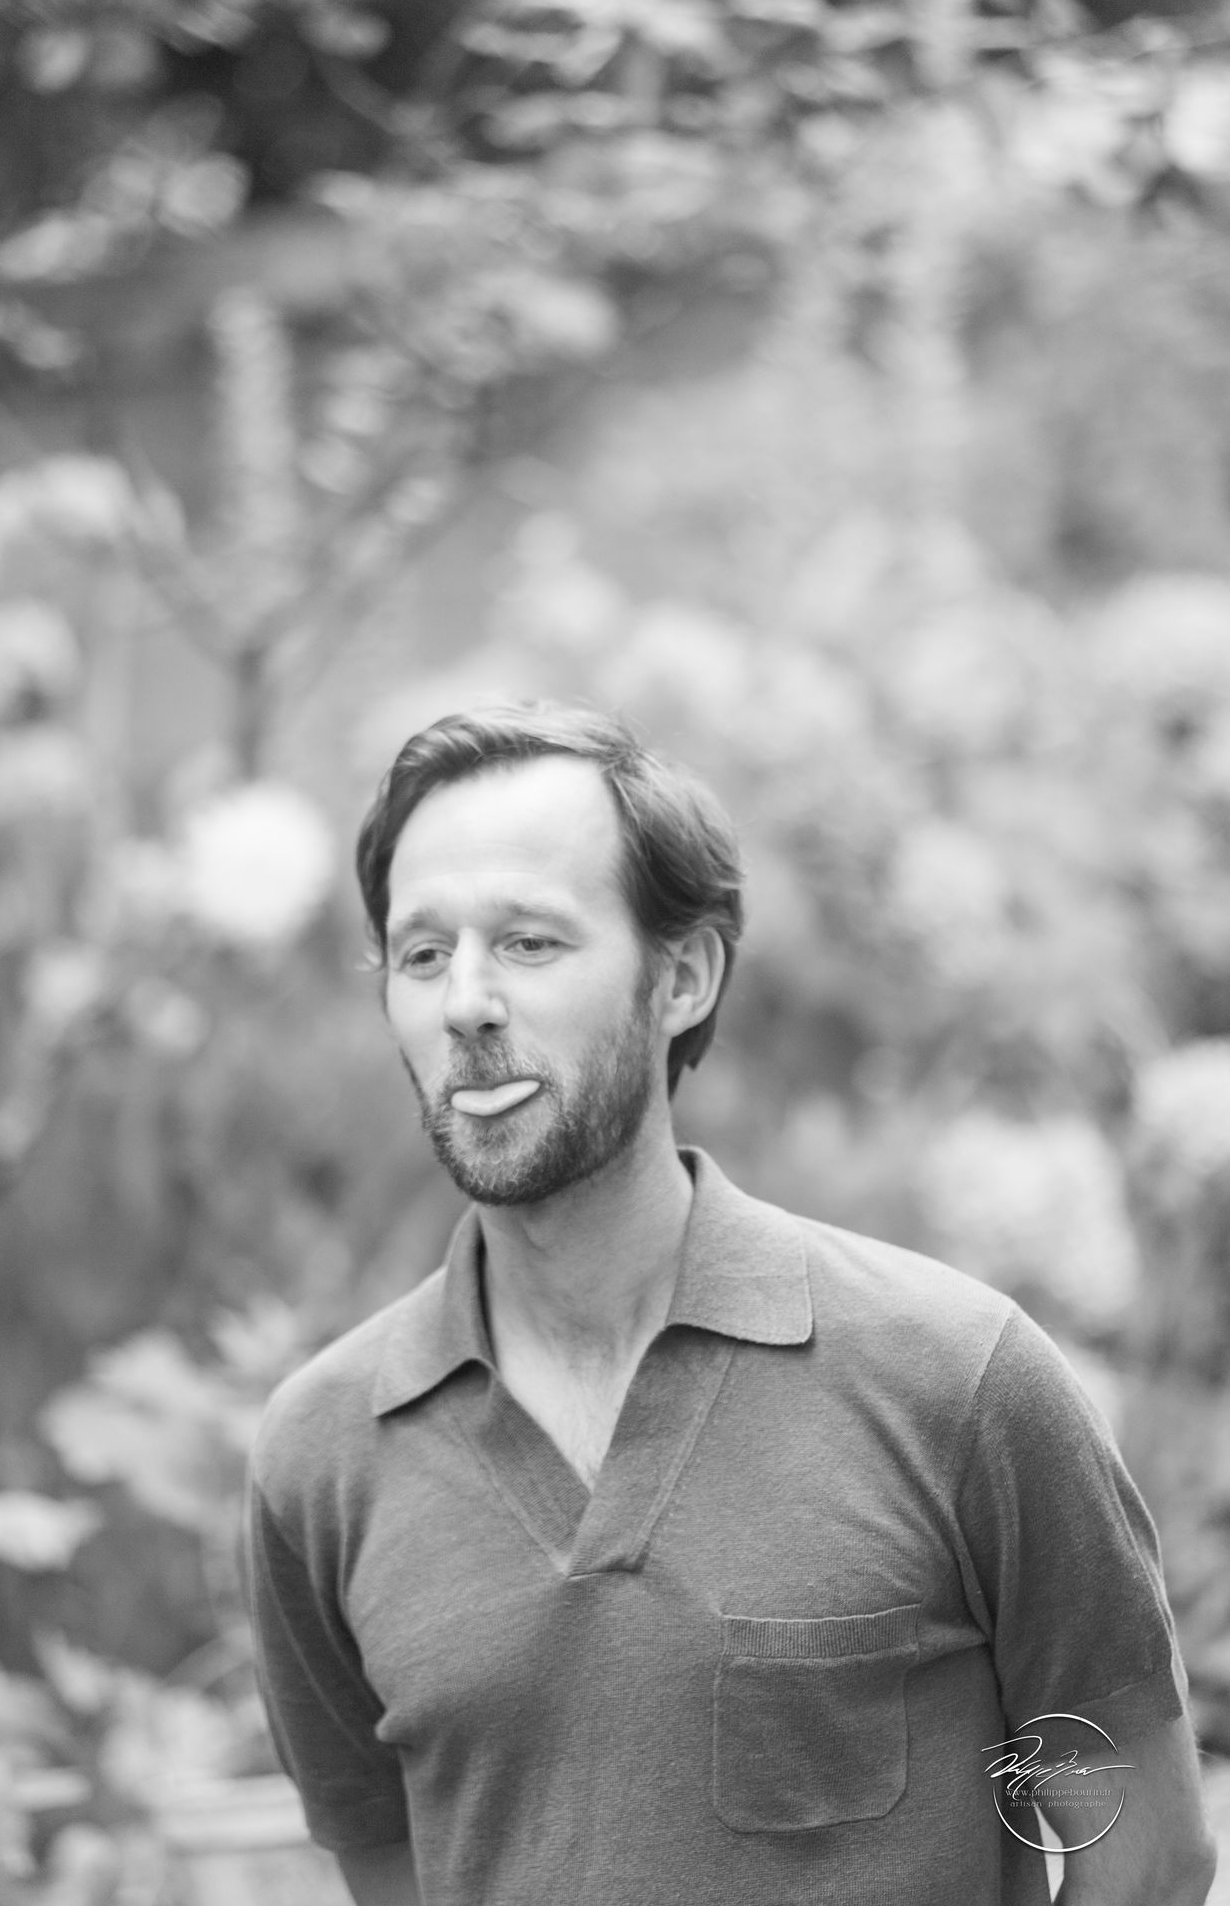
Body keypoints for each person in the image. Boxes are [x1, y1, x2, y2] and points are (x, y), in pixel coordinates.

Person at [244, 701, 1217, 1906]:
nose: (466, 1004)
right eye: (423, 954)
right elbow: (393, 1868)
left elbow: (1143, 1853)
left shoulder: (956, 1384)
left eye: (531, 943)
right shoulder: (322, 1457)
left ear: (683, 976)